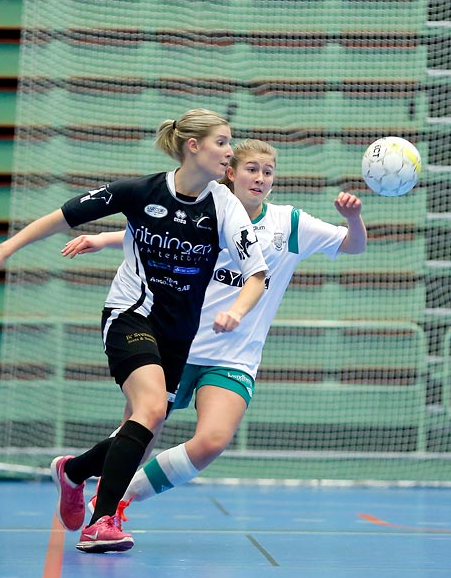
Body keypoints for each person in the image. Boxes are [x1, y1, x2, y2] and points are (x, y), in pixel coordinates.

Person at [0, 109, 267, 553]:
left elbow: (256, 275)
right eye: (223, 142)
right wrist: (3, 250)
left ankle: (73, 471)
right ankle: (101, 522)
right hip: (131, 314)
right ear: (194, 146)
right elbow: (63, 216)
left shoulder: (224, 207)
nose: (230, 151)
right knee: (149, 408)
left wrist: (239, 312)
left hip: (178, 334)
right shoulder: (141, 192)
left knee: (143, 426)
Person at [59, 138, 366, 518]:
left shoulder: (288, 224)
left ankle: (119, 503)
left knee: (212, 441)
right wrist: (103, 240)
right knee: (137, 436)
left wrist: (352, 218)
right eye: (252, 169)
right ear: (231, 173)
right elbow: (157, 236)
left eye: (268, 172)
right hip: (176, 344)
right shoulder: (208, 212)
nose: (260, 178)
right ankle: (75, 475)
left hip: (234, 357)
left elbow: (353, 246)